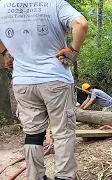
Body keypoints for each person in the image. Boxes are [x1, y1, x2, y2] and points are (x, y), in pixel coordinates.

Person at [0, 1, 88, 179]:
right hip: (55, 80)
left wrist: (5, 53)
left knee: (32, 134)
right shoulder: (55, 4)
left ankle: (35, 176)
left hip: (23, 82)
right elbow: (81, 24)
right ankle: (64, 176)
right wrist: (73, 50)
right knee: (62, 132)